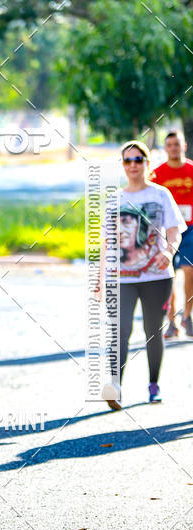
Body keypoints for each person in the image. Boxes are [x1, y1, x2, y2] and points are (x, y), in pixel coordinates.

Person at [103, 140, 185, 410]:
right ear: (123, 166)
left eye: (138, 160)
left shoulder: (160, 194)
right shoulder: (115, 198)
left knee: (153, 331)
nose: (133, 165)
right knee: (121, 330)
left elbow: (175, 229)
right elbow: (106, 242)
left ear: (147, 163)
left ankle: (153, 384)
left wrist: (169, 251)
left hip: (157, 276)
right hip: (122, 277)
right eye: (128, 161)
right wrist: (100, 279)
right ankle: (115, 386)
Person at [149, 130, 193, 338]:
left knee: (189, 271)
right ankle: (171, 322)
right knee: (169, 276)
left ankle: (187, 316)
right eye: (170, 145)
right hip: (166, 230)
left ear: (183, 146)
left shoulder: (192, 170)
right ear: (165, 148)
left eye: (177, 144)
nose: (173, 148)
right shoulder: (157, 174)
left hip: (191, 228)